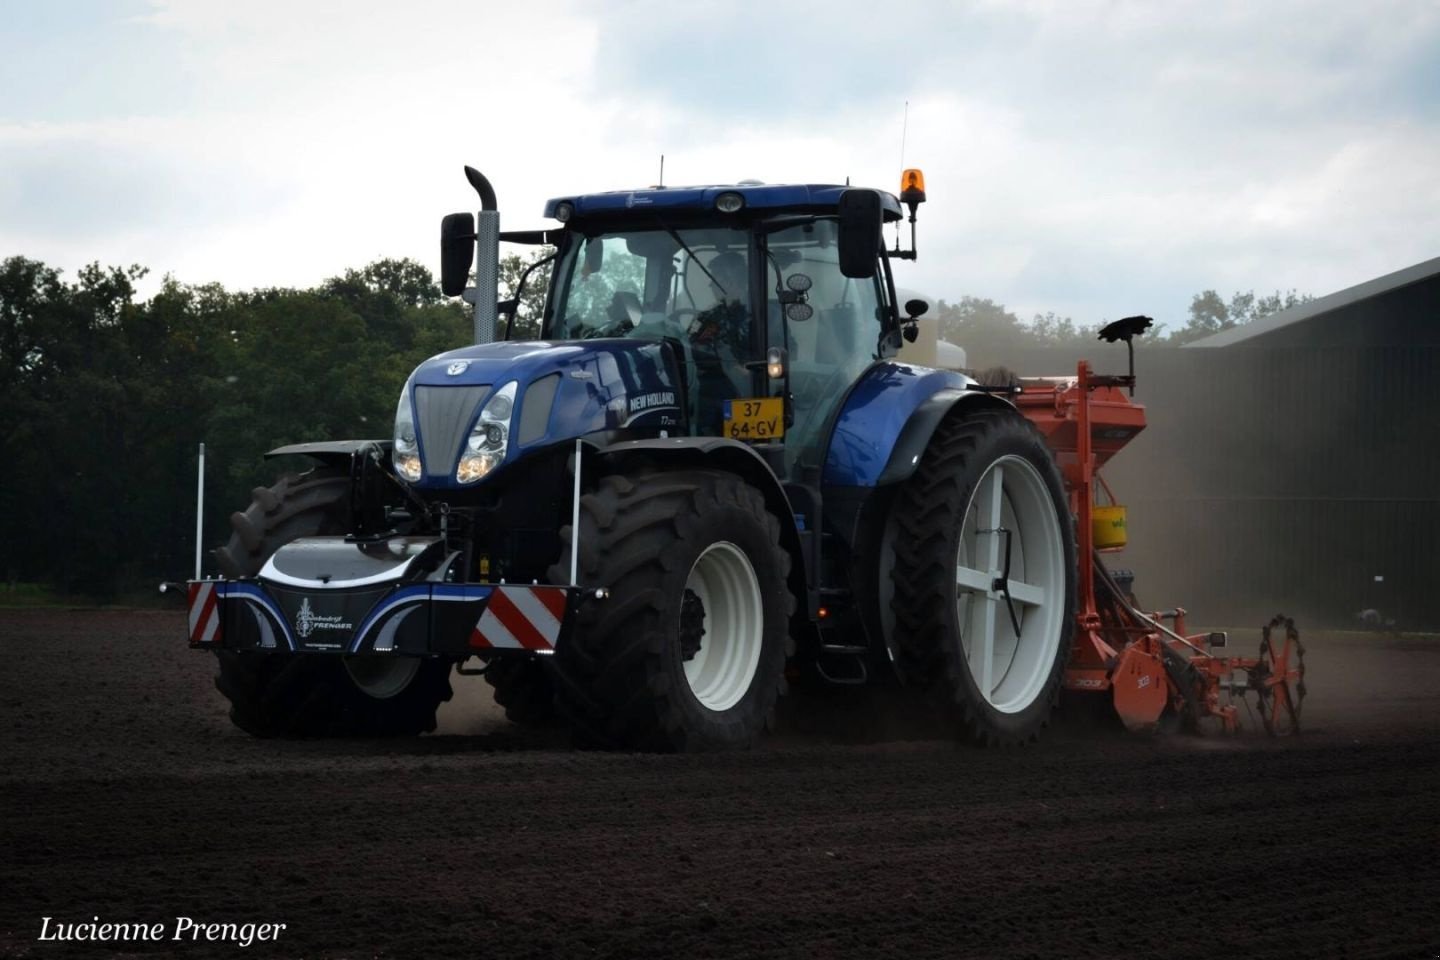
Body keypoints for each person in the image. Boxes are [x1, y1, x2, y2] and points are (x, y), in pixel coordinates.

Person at [689, 251, 752, 431]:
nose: (710, 285)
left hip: (752, 392)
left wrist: (745, 369)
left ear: (729, 281)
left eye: (715, 279)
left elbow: (788, 352)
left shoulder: (766, 314)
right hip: (711, 391)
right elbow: (690, 349)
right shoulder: (708, 317)